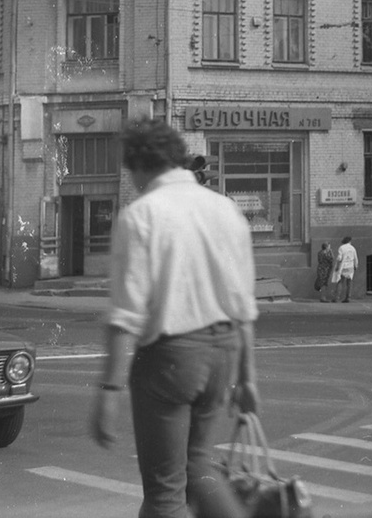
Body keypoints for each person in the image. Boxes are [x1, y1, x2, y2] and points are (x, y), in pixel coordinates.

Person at [89, 118, 258, 518]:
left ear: (139, 166)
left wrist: (108, 393)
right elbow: (243, 305)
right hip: (223, 355)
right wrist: (248, 379)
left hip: (169, 361)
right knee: (196, 467)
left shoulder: (141, 215)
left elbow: (126, 314)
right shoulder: (225, 209)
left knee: (166, 492)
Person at [332, 236, 358, 303]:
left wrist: (337, 265)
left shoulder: (341, 248)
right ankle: (348, 297)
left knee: (340, 282)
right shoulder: (353, 248)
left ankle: (337, 298)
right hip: (350, 267)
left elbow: (339, 258)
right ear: (349, 241)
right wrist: (355, 265)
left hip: (343, 266)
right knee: (349, 282)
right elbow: (355, 258)